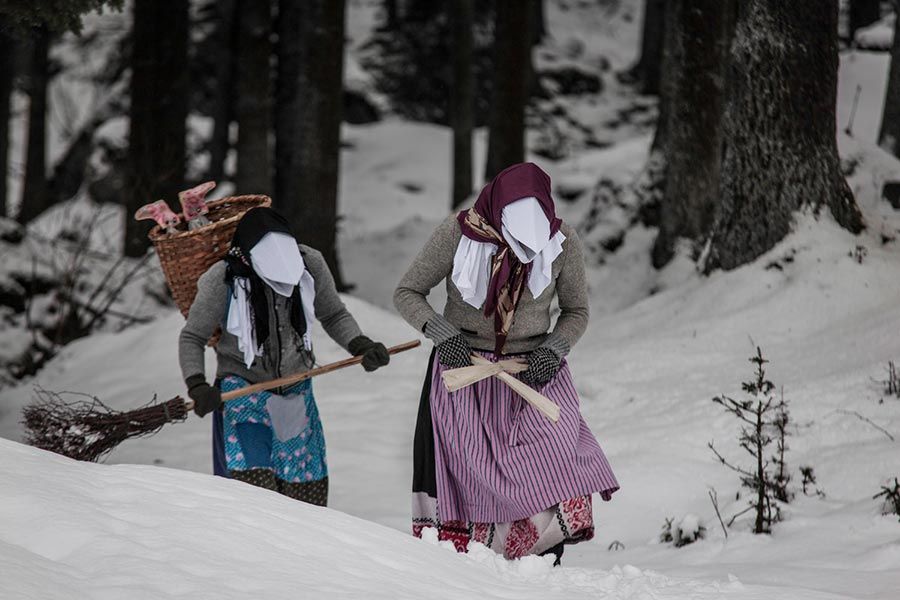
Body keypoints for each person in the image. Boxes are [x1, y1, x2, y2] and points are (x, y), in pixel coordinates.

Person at [394, 162, 619, 564]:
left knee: (555, 462)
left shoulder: (564, 242)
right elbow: (408, 292)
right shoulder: (456, 234)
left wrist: (555, 348)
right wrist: (442, 333)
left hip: (535, 374)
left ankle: (541, 562)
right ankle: (477, 567)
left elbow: (576, 311)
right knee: (472, 475)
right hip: (466, 374)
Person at [179, 207, 390, 505]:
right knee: (252, 492)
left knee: (304, 488)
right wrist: (197, 384)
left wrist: (360, 345)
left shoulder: (310, 264)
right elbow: (193, 336)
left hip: (296, 389)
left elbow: (333, 314)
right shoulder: (223, 279)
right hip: (243, 394)